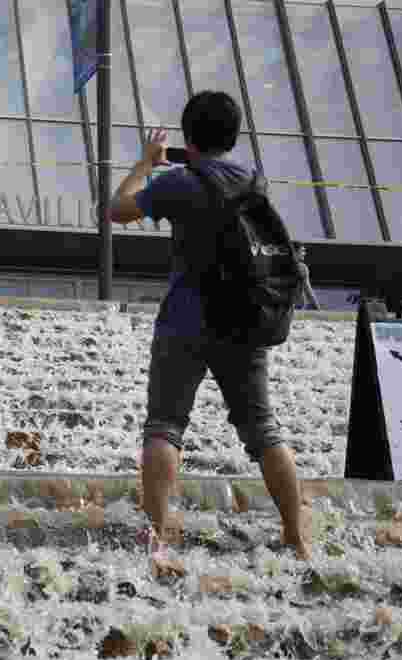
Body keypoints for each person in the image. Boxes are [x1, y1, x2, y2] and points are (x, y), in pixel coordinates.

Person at [108, 91, 310, 560]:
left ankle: (160, 539)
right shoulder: (254, 181)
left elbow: (117, 210)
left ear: (190, 136)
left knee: (164, 426)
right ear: (233, 134)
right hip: (246, 320)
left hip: (186, 321)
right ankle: (297, 538)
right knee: (263, 429)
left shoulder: (179, 182)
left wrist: (146, 164)